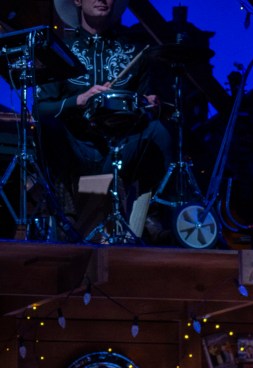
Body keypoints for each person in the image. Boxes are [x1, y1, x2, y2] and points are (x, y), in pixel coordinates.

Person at [33, 1, 171, 223]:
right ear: (77, 0)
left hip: (120, 147)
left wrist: (150, 106)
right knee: (48, 126)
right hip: (76, 149)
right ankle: (63, 212)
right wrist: (79, 100)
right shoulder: (60, 51)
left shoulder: (135, 52)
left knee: (157, 131)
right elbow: (39, 109)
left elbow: (146, 106)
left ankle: (153, 215)